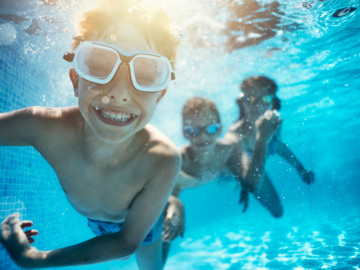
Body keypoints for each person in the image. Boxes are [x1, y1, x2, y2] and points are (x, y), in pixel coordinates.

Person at [0, 1, 182, 269]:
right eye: (98, 64)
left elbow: (126, 242)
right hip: (99, 224)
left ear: (160, 95)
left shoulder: (162, 158)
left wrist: (33, 259)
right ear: (76, 81)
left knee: (150, 266)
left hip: (143, 227)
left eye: (146, 75)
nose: (119, 93)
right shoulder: (45, 127)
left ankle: (170, 204)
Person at [162, 96, 282, 262]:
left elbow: (253, 184)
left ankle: (246, 173)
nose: (203, 137)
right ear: (184, 133)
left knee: (277, 211)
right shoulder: (179, 162)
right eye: (193, 130)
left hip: (230, 172)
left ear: (219, 129)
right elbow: (167, 203)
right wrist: (174, 211)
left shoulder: (228, 149)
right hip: (220, 175)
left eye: (210, 129)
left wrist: (262, 139)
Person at [226, 75, 315, 217]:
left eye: (265, 99)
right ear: (242, 103)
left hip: (255, 169)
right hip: (232, 173)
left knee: (278, 211)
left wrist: (300, 168)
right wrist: (244, 185)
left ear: (273, 103)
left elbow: (277, 145)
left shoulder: (274, 122)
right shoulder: (236, 133)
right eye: (251, 99)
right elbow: (236, 165)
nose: (258, 105)